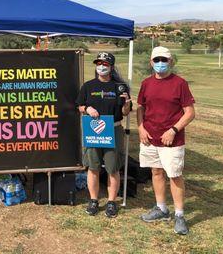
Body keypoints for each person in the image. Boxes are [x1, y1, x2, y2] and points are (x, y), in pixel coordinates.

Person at [137, 46, 195, 235]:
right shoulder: (146, 83)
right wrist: (141, 128)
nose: (160, 63)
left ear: (171, 62)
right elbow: (140, 108)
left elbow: (190, 113)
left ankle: (179, 215)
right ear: (151, 62)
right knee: (156, 172)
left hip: (172, 140)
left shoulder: (180, 83)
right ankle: (161, 208)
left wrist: (173, 130)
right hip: (150, 138)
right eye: (156, 60)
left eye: (164, 60)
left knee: (175, 175)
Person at [76, 52, 132, 218]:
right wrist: (87, 109)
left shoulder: (119, 87)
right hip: (93, 130)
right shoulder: (88, 86)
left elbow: (125, 112)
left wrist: (127, 103)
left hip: (113, 129)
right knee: (93, 167)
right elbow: (79, 105)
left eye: (105, 64)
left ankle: (111, 202)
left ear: (111, 67)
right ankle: (93, 200)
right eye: (98, 63)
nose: (101, 67)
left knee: (112, 168)